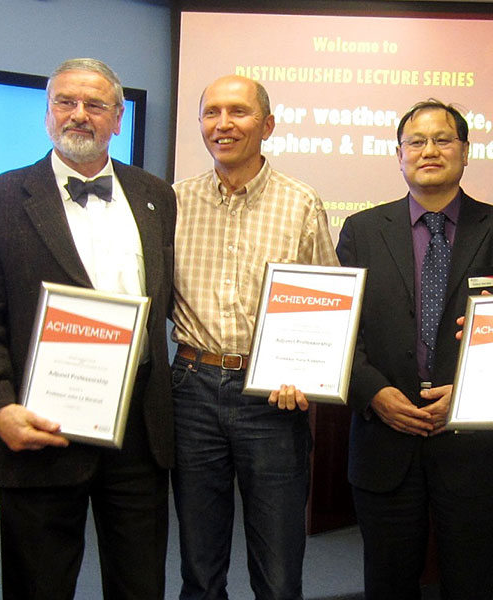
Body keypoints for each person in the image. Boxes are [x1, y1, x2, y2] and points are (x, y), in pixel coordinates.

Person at [0, 58, 176, 599]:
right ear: (48, 114)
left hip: (140, 430)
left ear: (118, 119)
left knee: (140, 583)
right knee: (39, 585)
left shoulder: (155, 196)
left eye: (95, 105)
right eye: (66, 103)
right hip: (41, 425)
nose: (79, 115)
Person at [335, 100, 493, 599]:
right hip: (384, 441)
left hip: (471, 448)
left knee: (469, 585)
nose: (429, 150)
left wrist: (468, 395)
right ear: (398, 154)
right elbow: (342, 333)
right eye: (416, 141)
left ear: (466, 152)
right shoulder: (361, 231)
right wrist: (375, 395)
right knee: (387, 585)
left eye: (443, 140)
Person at [170, 74, 338, 600]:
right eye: (212, 112)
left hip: (271, 400)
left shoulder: (300, 203)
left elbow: (328, 306)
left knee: (280, 570)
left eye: (238, 112)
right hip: (192, 390)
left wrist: (306, 374)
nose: (224, 124)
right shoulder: (173, 202)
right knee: (199, 566)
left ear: (267, 125)